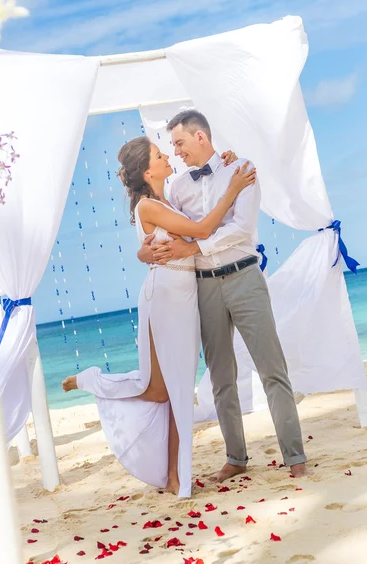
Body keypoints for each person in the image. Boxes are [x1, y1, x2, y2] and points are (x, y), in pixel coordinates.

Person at [62, 138, 255, 498]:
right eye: (159, 155)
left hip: (181, 293)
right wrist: (233, 189)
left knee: (166, 390)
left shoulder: (169, 199)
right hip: (166, 294)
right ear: (148, 171)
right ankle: (176, 477)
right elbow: (200, 231)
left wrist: (226, 162)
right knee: (170, 389)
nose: (168, 156)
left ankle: (172, 476)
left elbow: (199, 199)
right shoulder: (148, 206)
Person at [138, 110, 309, 482]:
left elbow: (241, 228)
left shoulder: (241, 168)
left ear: (200, 137)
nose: (177, 152)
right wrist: (151, 251)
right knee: (220, 376)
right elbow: (169, 232)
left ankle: (295, 457)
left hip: (245, 277)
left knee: (271, 369)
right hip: (204, 287)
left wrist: (194, 247)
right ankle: (236, 458)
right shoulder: (177, 188)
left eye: (180, 143)